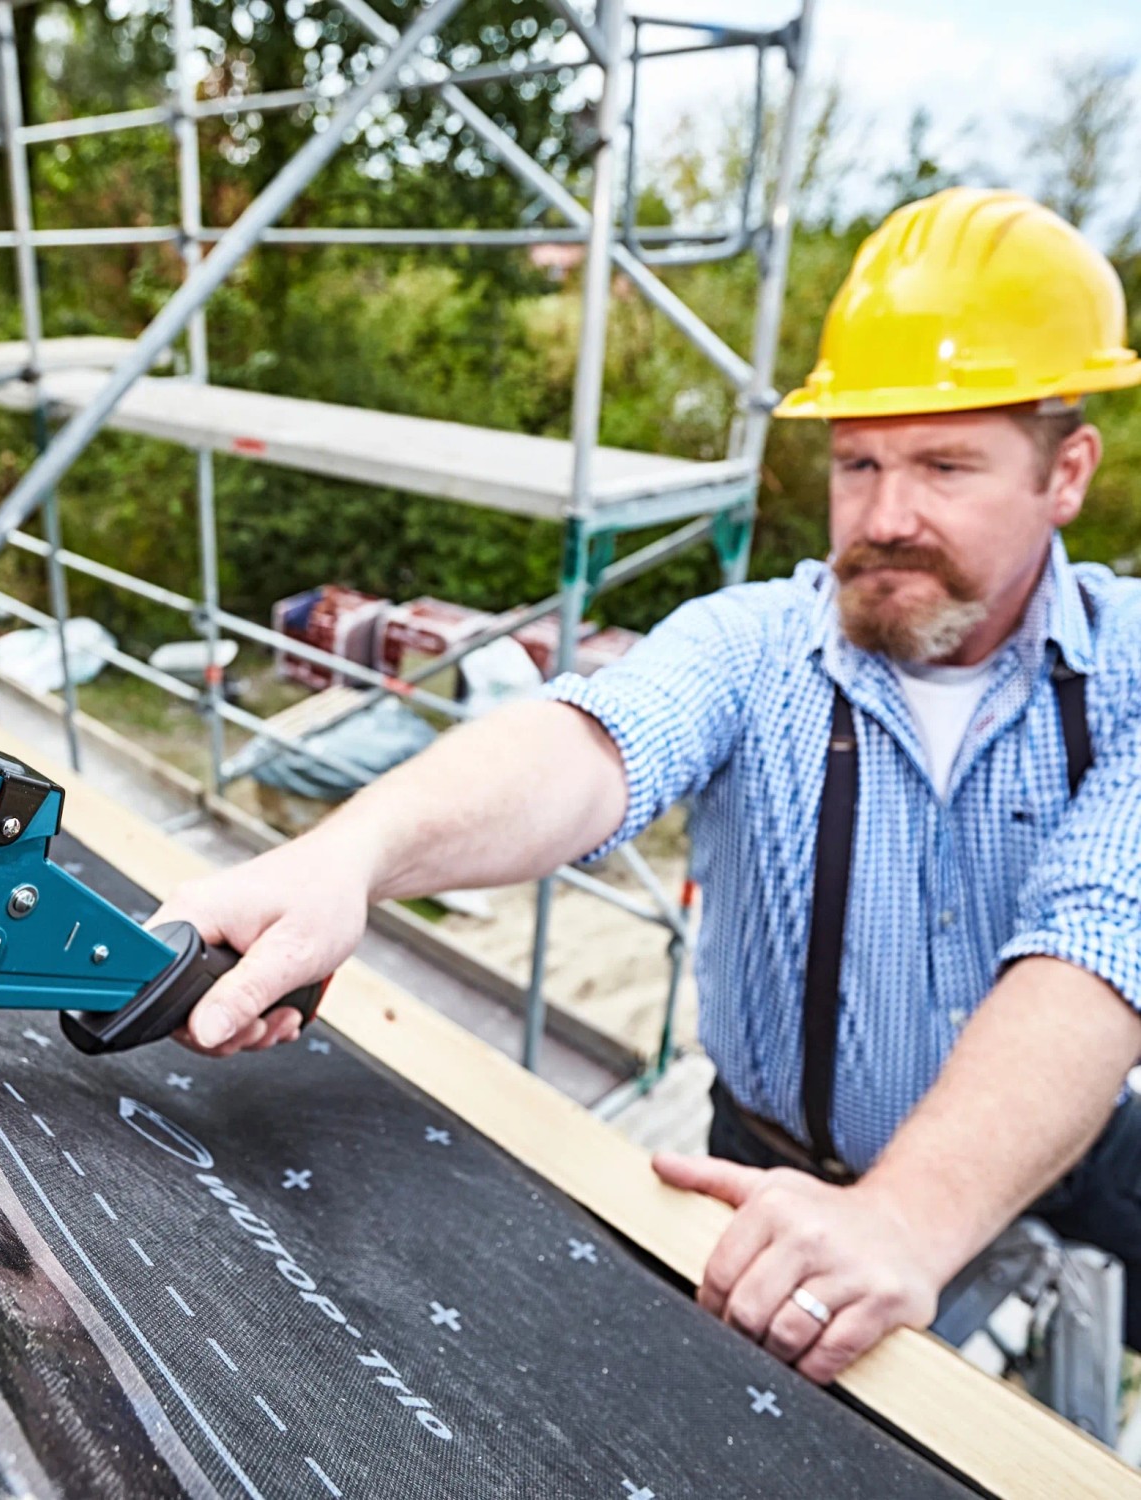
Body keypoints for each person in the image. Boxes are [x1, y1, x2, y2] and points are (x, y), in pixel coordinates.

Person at [152, 188, 1141, 1384]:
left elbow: (1100, 939)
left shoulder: (1132, 670)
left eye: (944, 465)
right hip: (774, 1164)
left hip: (1072, 1151)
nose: (885, 516)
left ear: (1067, 471)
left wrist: (910, 1217)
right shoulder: (757, 645)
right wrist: (354, 856)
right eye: (857, 461)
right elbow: (588, 745)